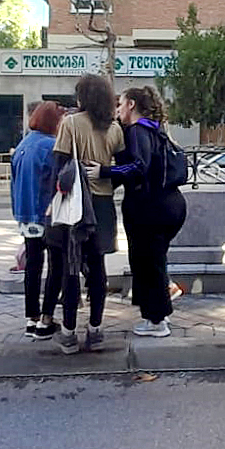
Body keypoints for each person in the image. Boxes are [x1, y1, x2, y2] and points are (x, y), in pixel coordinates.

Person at [95, 86, 190, 340]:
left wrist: (104, 173)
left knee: (147, 263)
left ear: (132, 105)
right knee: (154, 261)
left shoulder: (138, 131)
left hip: (151, 208)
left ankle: (156, 321)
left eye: (121, 104)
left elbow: (139, 167)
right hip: (169, 204)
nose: (117, 110)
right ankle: (159, 313)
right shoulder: (155, 129)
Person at [48, 75, 125, 344]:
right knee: (98, 265)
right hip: (103, 205)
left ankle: (69, 332)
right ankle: (95, 328)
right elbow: (126, 168)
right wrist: (105, 174)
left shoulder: (70, 123)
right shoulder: (115, 129)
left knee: (71, 265)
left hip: (75, 205)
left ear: (84, 97)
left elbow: (59, 166)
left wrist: (51, 203)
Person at [12, 101, 62, 340]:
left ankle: (31, 318)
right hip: (46, 213)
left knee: (32, 265)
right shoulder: (50, 146)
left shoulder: (25, 143)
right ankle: (46, 319)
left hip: (25, 214)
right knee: (56, 265)